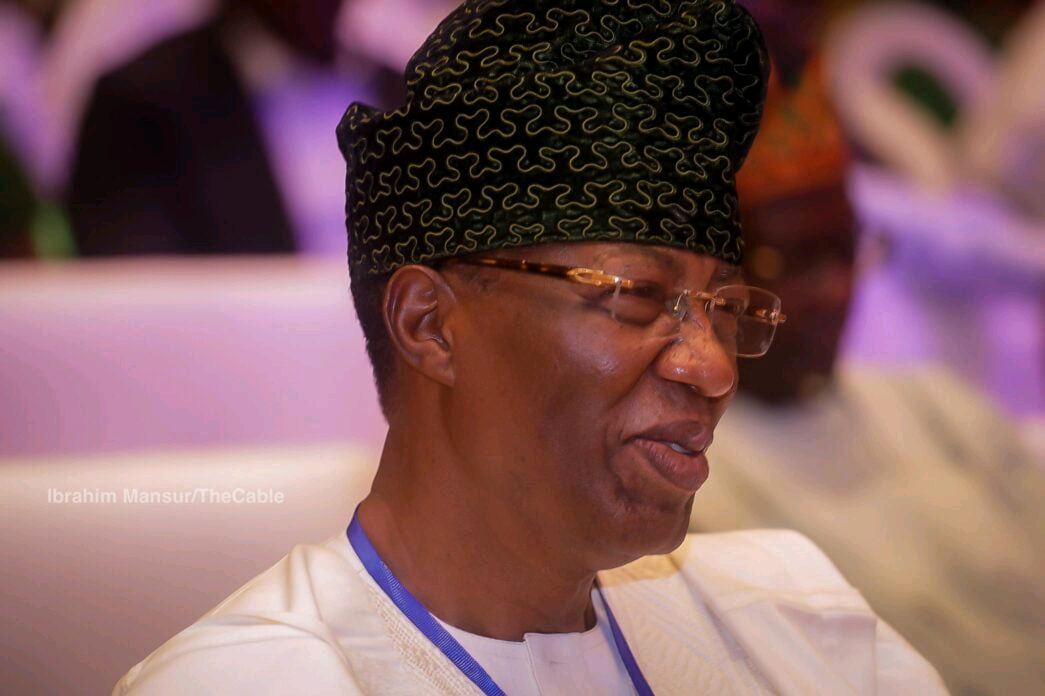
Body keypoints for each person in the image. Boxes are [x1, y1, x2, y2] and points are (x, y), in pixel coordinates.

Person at [113, 1, 946, 693]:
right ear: (429, 325)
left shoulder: (794, 613)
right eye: (636, 297)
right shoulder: (254, 679)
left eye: (725, 308)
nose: (713, 366)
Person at [688, 36, 1045, 696]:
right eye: (797, 261)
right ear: (713, 277)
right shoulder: (687, 480)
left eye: (846, 249)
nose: (836, 289)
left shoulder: (936, 405)